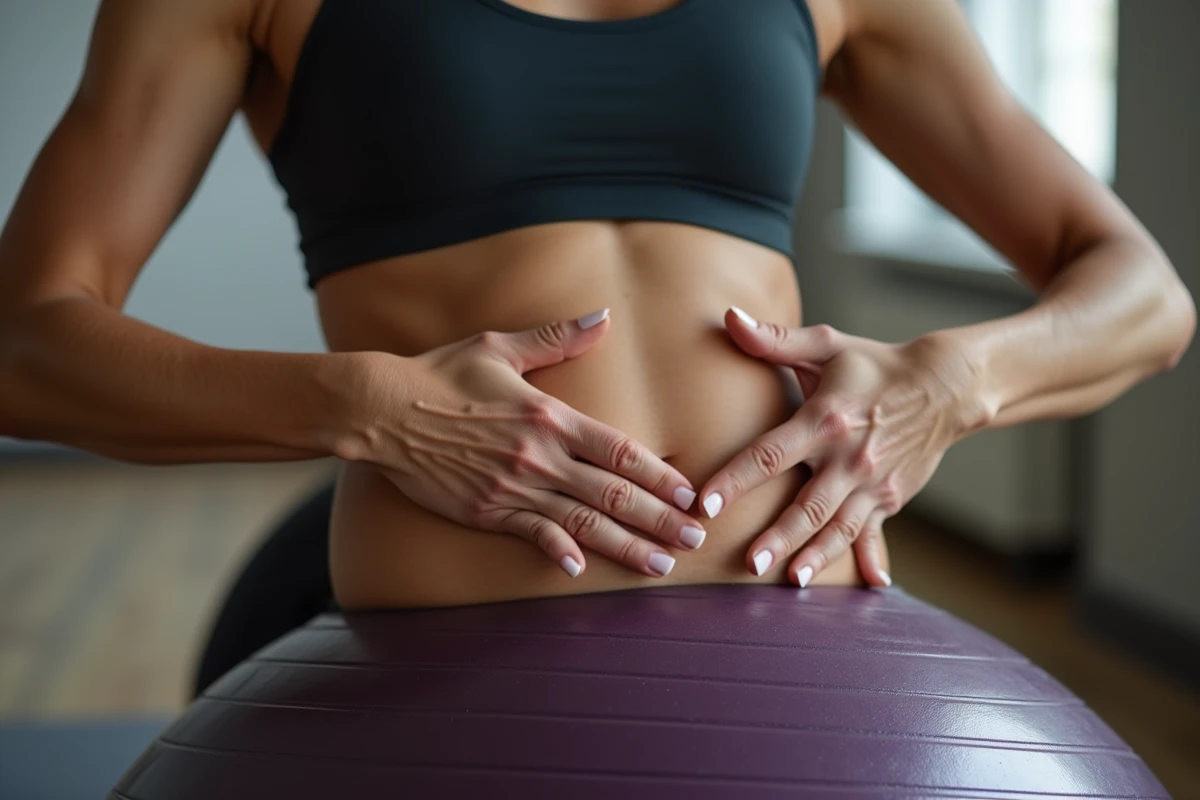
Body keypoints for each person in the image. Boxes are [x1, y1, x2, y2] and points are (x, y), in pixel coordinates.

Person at [0, 0, 1193, 679]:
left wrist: (952, 382)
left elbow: (1146, 293)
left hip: (811, 661)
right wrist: (366, 402)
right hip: (448, 675)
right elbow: (27, 342)